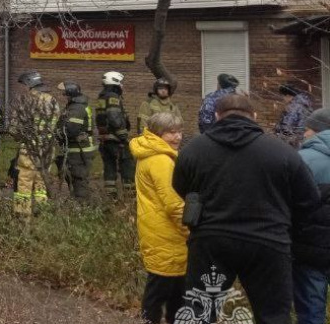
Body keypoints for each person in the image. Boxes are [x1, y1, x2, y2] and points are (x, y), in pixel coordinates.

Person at [173, 93, 320, 324]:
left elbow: (181, 187)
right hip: (269, 242)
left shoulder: (194, 150)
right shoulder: (282, 152)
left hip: (211, 241)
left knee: (199, 313)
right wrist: (286, 225)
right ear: (254, 116)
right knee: (273, 316)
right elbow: (308, 199)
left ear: (216, 116)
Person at [131, 112, 189, 323]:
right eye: (171, 132)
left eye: (180, 131)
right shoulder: (161, 161)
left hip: (157, 229)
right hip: (168, 233)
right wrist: (190, 230)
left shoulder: (151, 154)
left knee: (170, 289)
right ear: (157, 134)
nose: (178, 137)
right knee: (163, 291)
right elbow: (174, 204)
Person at [294, 108, 330, 324]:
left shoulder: (301, 159)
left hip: (308, 249)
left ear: (316, 131)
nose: (304, 134)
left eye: (306, 129)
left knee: (311, 311)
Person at [11, 71, 59, 215]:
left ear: (29, 84)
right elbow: (55, 123)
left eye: (24, 85)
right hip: (47, 150)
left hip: (29, 151)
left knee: (24, 184)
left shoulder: (25, 101)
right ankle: (42, 214)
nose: (23, 88)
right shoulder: (52, 100)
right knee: (41, 184)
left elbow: (14, 129)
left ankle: (23, 216)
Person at [95, 71, 135, 195]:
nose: (122, 86)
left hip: (104, 139)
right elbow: (113, 116)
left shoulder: (101, 96)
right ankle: (130, 196)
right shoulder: (112, 96)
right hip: (116, 139)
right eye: (121, 83)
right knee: (127, 163)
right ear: (115, 82)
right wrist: (123, 135)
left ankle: (111, 198)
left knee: (109, 168)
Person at [58, 82, 96, 202]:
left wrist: (58, 134)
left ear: (70, 93)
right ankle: (79, 202)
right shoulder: (75, 106)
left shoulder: (77, 108)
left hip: (79, 150)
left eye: (65, 94)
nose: (64, 96)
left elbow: (71, 129)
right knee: (74, 177)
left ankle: (82, 205)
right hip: (78, 149)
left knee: (79, 177)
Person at [277, 81, 316, 147]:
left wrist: (285, 140)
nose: (283, 99)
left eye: (283, 96)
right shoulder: (299, 105)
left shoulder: (297, 108)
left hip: (294, 144)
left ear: (288, 95)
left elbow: (292, 127)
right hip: (295, 142)